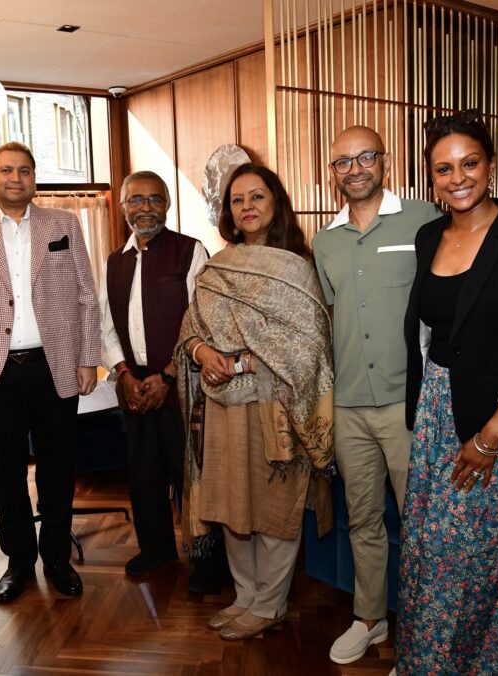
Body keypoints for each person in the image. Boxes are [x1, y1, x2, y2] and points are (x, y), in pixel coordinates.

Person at [394, 109, 498, 674]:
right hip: (438, 412)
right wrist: (426, 397)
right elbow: (430, 327)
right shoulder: (427, 236)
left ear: (490, 165)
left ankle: (484, 662)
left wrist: (490, 437)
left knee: (482, 556)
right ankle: (429, 660)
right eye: (443, 168)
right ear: (431, 176)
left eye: (469, 163)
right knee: (432, 551)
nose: (457, 177)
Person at [175, 163, 334, 640]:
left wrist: (242, 362)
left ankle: (270, 603)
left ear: (275, 203)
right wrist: (204, 353)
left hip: (276, 408)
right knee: (229, 504)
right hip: (221, 407)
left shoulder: (296, 267)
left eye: (256, 197)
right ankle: (245, 597)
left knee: (272, 507)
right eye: (237, 200)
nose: (246, 207)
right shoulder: (217, 265)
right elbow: (190, 329)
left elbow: (309, 346)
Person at [0, 142, 100, 603]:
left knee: (58, 467)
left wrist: (87, 357)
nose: (16, 178)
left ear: (35, 178)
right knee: (6, 472)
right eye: (7, 170)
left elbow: (87, 297)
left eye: (26, 171)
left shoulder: (64, 224)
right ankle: (18, 562)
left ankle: (56, 557)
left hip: (53, 365)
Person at [312, 126, 440, 664]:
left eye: (366, 157)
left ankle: (429, 628)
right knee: (361, 518)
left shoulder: (425, 220)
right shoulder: (324, 241)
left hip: (407, 401)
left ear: (385, 161)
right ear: (332, 172)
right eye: (343, 162)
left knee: (422, 520)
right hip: (349, 406)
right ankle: (371, 619)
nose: (355, 169)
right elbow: (330, 318)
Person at [100, 171, 221, 586]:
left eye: (154, 199)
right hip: (134, 389)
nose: (145, 208)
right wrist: (123, 373)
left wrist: (168, 376)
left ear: (167, 205)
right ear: (123, 207)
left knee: (191, 477)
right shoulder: (114, 261)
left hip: (183, 388)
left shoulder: (191, 252)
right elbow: (105, 325)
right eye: (136, 200)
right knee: (144, 473)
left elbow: (203, 322)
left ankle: (206, 562)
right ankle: (155, 550)